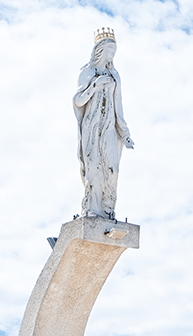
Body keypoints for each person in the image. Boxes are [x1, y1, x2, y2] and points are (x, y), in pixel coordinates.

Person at [74, 30, 134, 220]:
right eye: (110, 51)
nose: (112, 55)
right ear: (100, 50)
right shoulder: (88, 72)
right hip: (92, 126)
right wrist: (95, 86)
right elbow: (78, 101)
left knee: (112, 168)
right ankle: (93, 208)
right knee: (94, 167)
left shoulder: (115, 75)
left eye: (114, 52)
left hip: (109, 126)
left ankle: (108, 208)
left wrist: (124, 134)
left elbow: (118, 105)